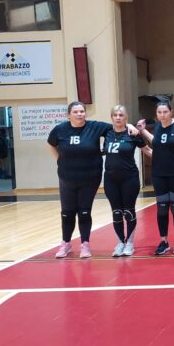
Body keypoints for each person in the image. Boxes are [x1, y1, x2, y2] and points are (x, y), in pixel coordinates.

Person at [48, 101, 131, 259]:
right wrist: (60, 159)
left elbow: (117, 125)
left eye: (82, 111)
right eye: (76, 112)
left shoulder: (95, 127)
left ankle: (85, 244)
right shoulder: (60, 129)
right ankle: (66, 243)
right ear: (69, 115)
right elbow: (51, 144)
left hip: (90, 178)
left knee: (84, 212)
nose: (79, 114)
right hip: (67, 178)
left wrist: (130, 126)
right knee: (67, 213)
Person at [137, 100, 174, 256]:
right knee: (162, 208)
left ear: (171, 111)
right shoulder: (157, 127)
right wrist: (143, 131)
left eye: (165, 112)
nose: (162, 115)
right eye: (159, 112)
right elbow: (156, 142)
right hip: (159, 174)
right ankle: (163, 242)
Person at [104, 105, 151, 257]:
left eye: (121, 115)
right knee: (116, 212)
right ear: (111, 117)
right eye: (115, 115)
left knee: (128, 212)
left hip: (129, 178)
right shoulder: (107, 132)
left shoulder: (133, 134)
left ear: (126, 117)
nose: (118, 117)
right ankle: (120, 242)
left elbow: (147, 150)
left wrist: (165, 158)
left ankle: (129, 243)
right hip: (110, 179)